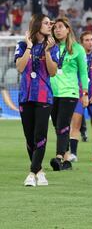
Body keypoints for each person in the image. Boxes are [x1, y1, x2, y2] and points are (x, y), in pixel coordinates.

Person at [15, 14, 58, 186]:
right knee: (29, 136)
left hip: (43, 96)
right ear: (37, 24)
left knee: (40, 135)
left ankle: (32, 173)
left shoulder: (53, 46)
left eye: (50, 23)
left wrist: (47, 51)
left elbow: (53, 71)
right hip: (25, 96)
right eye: (47, 23)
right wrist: (29, 47)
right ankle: (39, 170)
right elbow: (20, 67)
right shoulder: (22, 44)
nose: (50, 26)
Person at [50, 17, 89, 171]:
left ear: (68, 29)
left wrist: (85, 92)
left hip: (70, 92)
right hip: (52, 92)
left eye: (61, 27)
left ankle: (59, 157)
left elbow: (84, 73)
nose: (57, 30)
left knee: (62, 125)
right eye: (55, 27)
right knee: (57, 127)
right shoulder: (50, 48)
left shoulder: (78, 49)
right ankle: (66, 161)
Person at [68, 31, 92, 163]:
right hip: (78, 95)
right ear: (81, 42)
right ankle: (73, 154)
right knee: (76, 123)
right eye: (87, 40)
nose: (91, 42)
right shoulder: (76, 55)